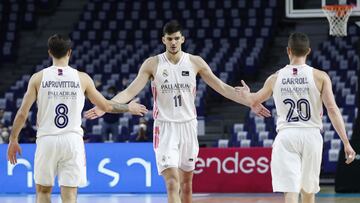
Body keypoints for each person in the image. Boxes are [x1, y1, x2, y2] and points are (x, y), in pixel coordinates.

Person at [85, 20, 270, 203]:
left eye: (176, 38)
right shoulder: (152, 64)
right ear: (163, 40)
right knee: (172, 182)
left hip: (188, 126)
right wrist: (105, 105)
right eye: (169, 39)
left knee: (187, 185)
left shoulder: (195, 62)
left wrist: (251, 100)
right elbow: (129, 92)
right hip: (165, 128)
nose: (173, 42)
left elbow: (222, 87)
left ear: (183, 39)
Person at [7, 34, 148, 203]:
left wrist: (13, 139)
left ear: (49, 52)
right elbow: (106, 106)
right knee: (70, 195)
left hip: (47, 140)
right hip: (72, 140)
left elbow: (22, 113)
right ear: (70, 52)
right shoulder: (82, 78)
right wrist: (128, 107)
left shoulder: (38, 78)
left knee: (43, 192)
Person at [237, 32, 356, 203]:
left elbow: (254, 100)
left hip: (287, 136)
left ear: (288, 51)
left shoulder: (275, 78)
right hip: (311, 135)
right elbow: (332, 109)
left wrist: (247, 95)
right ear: (308, 51)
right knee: (308, 191)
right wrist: (345, 142)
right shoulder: (320, 76)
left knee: (291, 192)